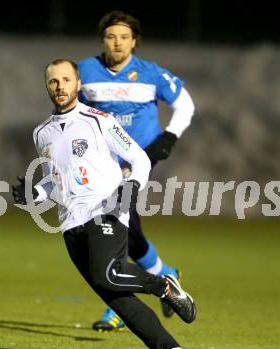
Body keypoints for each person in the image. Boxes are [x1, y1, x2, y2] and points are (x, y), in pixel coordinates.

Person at [12, 58, 196, 349]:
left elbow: (139, 159)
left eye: (66, 80)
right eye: (54, 81)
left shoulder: (99, 119)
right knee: (115, 297)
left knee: (107, 273)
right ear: (47, 86)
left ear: (78, 84)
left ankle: (164, 286)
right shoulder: (41, 133)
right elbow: (54, 180)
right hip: (70, 223)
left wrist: (130, 190)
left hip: (106, 209)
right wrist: (37, 193)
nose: (60, 86)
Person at [78, 10, 195, 331]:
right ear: (103, 39)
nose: (118, 43)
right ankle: (166, 275)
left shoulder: (150, 74)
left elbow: (185, 104)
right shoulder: (85, 71)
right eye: (112, 36)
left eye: (124, 37)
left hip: (137, 160)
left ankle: (118, 305)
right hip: (102, 161)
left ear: (135, 42)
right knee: (126, 231)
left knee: (114, 224)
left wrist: (168, 137)